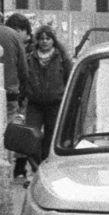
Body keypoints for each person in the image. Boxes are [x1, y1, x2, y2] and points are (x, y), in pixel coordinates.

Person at [20, 25, 71, 171]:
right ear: (37, 40)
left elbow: (69, 78)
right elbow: (24, 78)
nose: (44, 41)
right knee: (32, 134)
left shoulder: (61, 57)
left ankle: (48, 166)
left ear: (53, 40)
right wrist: (21, 99)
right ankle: (36, 166)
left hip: (55, 103)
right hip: (34, 103)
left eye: (48, 38)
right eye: (41, 39)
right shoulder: (30, 56)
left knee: (51, 136)